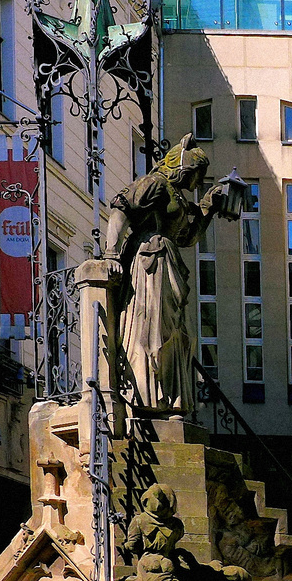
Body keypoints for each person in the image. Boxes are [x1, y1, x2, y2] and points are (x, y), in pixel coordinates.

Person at [103, 133, 240, 412]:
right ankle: (144, 394)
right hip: (149, 264)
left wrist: (207, 209)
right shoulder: (154, 184)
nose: (198, 182)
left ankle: (166, 397)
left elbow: (186, 237)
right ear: (184, 166)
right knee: (150, 329)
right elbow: (121, 210)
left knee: (172, 332)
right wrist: (110, 253)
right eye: (197, 174)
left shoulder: (176, 195)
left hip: (168, 263)